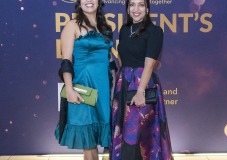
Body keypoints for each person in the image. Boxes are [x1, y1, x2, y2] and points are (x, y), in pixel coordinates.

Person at [110, 0, 173, 159]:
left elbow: (149, 64)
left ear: (147, 8)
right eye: (132, 5)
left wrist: (140, 91)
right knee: (123, 132)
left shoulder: (154, 31)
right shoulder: (124, 30)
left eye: (141, 5)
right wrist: (122, 80)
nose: (136, 9)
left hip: (142, 84)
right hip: (123, 85)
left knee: (140, 133)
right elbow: (122, 58)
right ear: (127, 8)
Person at [55, 0, 114, 159]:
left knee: (95, 138)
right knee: (88, 143)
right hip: (83, 89)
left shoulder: (105, 28)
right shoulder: (72, 26)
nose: (89, 1)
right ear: (79, 3)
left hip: (101, 89)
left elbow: (110, 59)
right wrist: (69, 89)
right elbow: (66, 61)